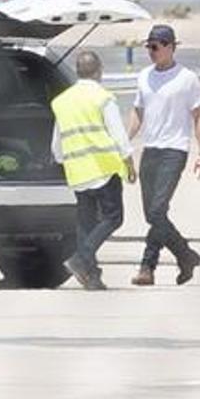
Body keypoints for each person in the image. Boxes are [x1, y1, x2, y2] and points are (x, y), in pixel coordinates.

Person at [52, 51, 136, 291]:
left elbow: (57, 142)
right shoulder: (103, 97)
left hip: (77, 171)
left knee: (85, 223)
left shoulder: (62, 101)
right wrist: (128, 160)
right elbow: (117, 132)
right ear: (99, 71)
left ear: (78, 72)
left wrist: (61, 160)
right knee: (114, 217)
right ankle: (81, 258)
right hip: (103, 168)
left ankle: (91, 277)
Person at [128, 24, 200, 287]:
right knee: (152, 214)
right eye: (149, 46)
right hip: (150, 150)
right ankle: (186, 255)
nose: (151, 51)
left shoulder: (187, 78)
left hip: (175, 150)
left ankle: (148, 266)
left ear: (171, 47)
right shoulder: (144, 77)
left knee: (158, 209)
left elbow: (199, 115)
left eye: (156, 46)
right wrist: (125, 141)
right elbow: (138, 112)